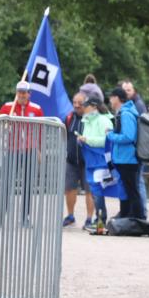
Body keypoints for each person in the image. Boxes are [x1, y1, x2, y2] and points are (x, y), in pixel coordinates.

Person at [0, 80, 45, 225]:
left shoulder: (36, 109)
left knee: (28, 184)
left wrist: (39, 149)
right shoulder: (7, 107)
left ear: (29, 94)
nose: (22, 95)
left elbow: (41, 131)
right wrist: (4, 126)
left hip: (30, 150)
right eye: (19, 92)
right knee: (6, 183)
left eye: (24, 92)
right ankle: (1, 216)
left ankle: (25, 217)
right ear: (16, 93)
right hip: (12, 150)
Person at [77, 95, 117, 231]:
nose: (83, 108)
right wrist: (82, 140)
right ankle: (99, 220)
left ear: (94, 106)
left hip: (101, 161)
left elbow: (106, 140)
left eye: (86, 105)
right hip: (92, 161)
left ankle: (101, 220)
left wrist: (86, 139)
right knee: (95, 191)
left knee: (97, 191)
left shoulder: (104, 120)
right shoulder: (87, 120)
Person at [106, 86, 142, 218]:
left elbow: (128, 136)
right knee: (126, 190)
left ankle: (136, 218)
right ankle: (126, 215)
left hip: (128, 159)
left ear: (117, 98)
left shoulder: (126, 114)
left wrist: (110, 135)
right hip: (123, 159)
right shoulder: (123, 113)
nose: (110, 100)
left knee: (132, 191)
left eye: (111, 97)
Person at [63, 92, 95, 229]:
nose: (76, 105)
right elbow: (64, 135)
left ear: (85, 104)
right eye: (74, 102)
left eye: (79, 103)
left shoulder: (92, 119)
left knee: (89, 190)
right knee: (69, 189)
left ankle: (89, 219)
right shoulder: (69, 117)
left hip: (88, 161)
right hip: (71, 161)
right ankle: (70, 216)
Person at [120, 80, 148, 218]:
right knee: (136, 183)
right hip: (137, 150)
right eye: (124, 90)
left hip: (137, 150)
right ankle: (137, 212)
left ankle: (141, 212)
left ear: (134, 91)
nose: (126, 92)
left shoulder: (137, 105)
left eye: (129, 90)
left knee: (138, 183)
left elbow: (134, 133)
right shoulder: (133, 104)